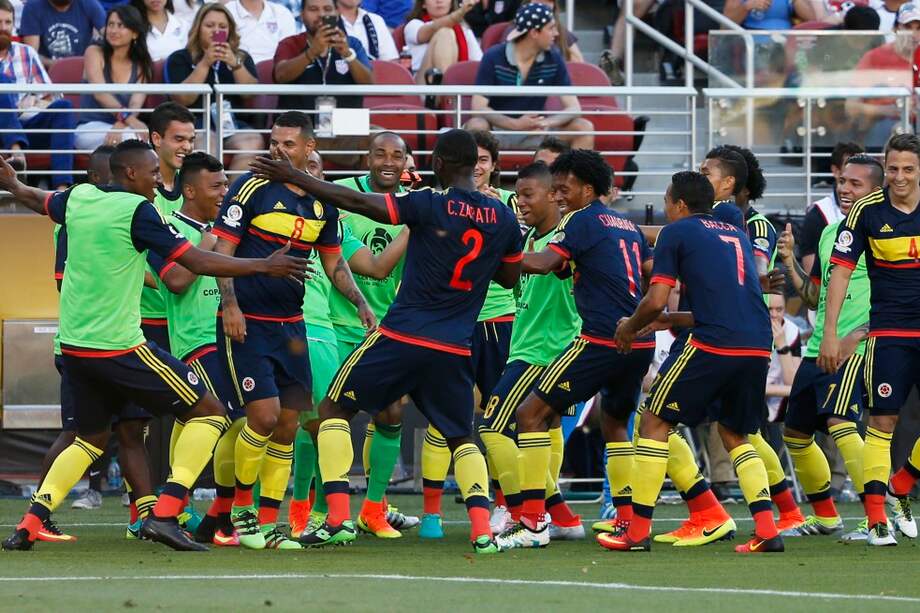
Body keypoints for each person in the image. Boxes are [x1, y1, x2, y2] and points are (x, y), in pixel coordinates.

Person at [0, 139, 310, 552]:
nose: (158, 182)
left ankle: (30, 525)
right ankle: (164, 515)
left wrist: (16, 185)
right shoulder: (137, 210)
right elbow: (195, 263)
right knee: (212, 413)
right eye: (152, 174)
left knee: (89, 439)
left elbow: (42, 199)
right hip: (119, 347)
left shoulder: (80, 197)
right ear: (130, 174)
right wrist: (263, 265)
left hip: (74, 347)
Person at [249, 128, 523, 554]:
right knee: (461, 436)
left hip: (402, 334)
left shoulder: (430, 203)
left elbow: (362, 203)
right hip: (454, 344)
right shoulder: (503, 217)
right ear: (477, 164)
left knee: (333, 408)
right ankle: (483, 531)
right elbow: (508, 276)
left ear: (438, 164)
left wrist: (298, 178)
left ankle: (337, 518)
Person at [212, 111, 374, 551]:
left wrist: (360, 301)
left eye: (288, 144)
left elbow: (334, 262)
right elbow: (223, 251)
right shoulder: (249, 188)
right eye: (274, 142)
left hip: (292, 326)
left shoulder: (323, 203)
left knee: (288, 425)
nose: (278, 150)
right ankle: (242, 513)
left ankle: (267, 523)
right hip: (249, 321)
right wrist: (230, 305)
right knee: (261, 417)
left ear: (308, 148)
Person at [606, 170, 782, 555]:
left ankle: (635, 532)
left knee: (653, 420)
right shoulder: (734, 233)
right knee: (735, 433)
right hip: (756, 345)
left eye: (668, 202)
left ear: (680, 204)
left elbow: (655, 299)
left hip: (714, 344)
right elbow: (730, 300)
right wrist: (671, 320)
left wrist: (630, 328)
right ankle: (768, 530)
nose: (667, 209)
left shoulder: (677, 232)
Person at [494, 150, 650, 551]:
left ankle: (531, 520)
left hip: (599, 339)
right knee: (616, 426)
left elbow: (546, 263)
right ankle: (628, 523)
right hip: (639, 340)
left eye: (565, 188)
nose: (560, 196)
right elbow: (646, 272)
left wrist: (489, 257)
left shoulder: (581, 220)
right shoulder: (626, 224)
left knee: (529, 415)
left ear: (588, 188)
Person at [291, 135, 414, 542]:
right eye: (380, 153)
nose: (388, 161)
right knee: (318, 417)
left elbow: (387, 271)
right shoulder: (342, 199)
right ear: (367, 158)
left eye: (397, 155)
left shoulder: (413, 205)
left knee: (391, 413)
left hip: (379, 330)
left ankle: (373, 510)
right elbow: (363, 265)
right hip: (329, 326)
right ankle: (312, 509)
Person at [416, 128, 519, 539]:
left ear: (493, 165)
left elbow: (519, 260)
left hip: (498, 320)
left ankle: (504, 506)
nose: (476, 167)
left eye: (484, 160)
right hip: (454, 322)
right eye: (471, 160)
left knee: (498, 416)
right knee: (442, 419)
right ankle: (431, 514)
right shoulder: (441, 203)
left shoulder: (510, 204)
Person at [821, 133, 920, 546]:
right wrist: (830, 333)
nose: (899, 177)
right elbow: (841, 272)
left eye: (908, 169)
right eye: (893, 168)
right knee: (882, 422)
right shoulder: (865, 210)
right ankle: (878, 521)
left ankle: (904, 480)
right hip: (889, 333)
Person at [777, 154, 883, 541]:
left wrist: (855, 336)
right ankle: (826, 516)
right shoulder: (831, 233)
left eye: (856, 184)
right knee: (796, 434)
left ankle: (876, 521)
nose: (845, 189)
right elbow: (814, 297)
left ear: (876, 191)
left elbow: (899, 298)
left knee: (839, 422)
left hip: (856, 346)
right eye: (842, 182)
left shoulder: (886, 236)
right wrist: (789, 264)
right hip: (820, 345)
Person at [143, 152, 245, 548]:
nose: (224, 192)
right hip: (195, 339)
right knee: (229, 419)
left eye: (225, 185)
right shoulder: (164, 227)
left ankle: (199, 516)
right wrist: (209, 242)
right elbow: (178, 281)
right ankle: (198, 513)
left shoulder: (229, 229)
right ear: (189, 190)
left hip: (232, 336)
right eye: (216, 186)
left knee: (207, 421)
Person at [479, 161, 584, 542]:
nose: (519, 202)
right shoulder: (528, 238)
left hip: (543, 352)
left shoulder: (565, 238)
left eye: (527, 195)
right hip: (530, 346)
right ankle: (561, 518)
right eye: (517, 194)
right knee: (543, 430)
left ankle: (522, 511)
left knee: (492, 427)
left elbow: (554, 269)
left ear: (553, 196)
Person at [468, 3, 593, 152]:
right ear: (534, 33)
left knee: (583, 128)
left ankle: (575, 175)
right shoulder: (494, 56)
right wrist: (514, 124)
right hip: (497, 131)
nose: (556, 34)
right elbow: (478, 106)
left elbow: (574, 107)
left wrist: (546, 123)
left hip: (537, 132)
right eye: (551, 28)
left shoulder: (554, 58)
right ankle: (477, 175)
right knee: (476, 125)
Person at [165, 2, 261, 172]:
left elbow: (251, 94)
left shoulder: (241, 57)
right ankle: (207, 197)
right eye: (210, 25)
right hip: (195, 124)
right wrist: (205, 63)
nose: (216, 31)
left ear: (230, 30)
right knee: (207, 144)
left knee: (253, 142)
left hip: (234, 124)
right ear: (198, 28)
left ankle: (233, 197)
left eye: (222, 26)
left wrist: (235, 64)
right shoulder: (180, 58)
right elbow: (183, 99)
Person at [0, 0, 75, 190]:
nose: (4, 28)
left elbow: (53, 96)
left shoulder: (26, 53)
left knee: (63, 107)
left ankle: (62, 190)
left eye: (8, 23)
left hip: (26, 125)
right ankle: (16, 151)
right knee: (2, 81)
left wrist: (35, 101)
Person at [75, 5, 153, 151]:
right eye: (111, 24)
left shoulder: (142, 63)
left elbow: (136, 103)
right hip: (90, 127)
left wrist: (121, 123)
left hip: (124, 126)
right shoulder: (94, 52)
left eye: (121, 25)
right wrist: (128, 119)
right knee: (130, 141)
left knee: (137, 140)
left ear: (135, 33)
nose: (113, 30)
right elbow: (100, 94)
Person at [273, 0, 374, 113]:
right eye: (313, 9)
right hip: (298, 123)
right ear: (302, 15)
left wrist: (347, 54)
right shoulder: (290, 43)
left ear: (337, 14)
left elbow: (369, 84)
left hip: (347, 123)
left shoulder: (352, 44)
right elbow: (280, 76)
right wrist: (312, 52)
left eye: (327, 9)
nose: (321, 14)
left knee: (382, 131)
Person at [848, 3, 920, 148]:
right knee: (895, 129)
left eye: (919, 29)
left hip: (916, 124)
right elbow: (850, 106)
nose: (913, 34)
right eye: (907, 27)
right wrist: (885, 110)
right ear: (895, 29)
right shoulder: (874, 57)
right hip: (881, 126)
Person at [800, 142, 865, 277]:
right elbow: (813, 280)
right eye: (850, 166)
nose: (856, 172)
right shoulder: (817, 214)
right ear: (835, 171)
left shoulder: (881, 212)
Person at [403, 0, 482, 84]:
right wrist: (459, 13)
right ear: (423, 4)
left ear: (451, 3)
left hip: (458, 84)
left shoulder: (464, 31)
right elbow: (431, 29)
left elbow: (478, 64)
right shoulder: (414, 25)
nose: (439, 1)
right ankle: (447, 91)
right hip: (422, 86)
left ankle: (449, 92)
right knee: (445, 33)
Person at [20, 0, 106, 68]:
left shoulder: (88, 3)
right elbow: (31, 54)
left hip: (84, 70)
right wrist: (58, 65)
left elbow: (110, 35)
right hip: (46, 74)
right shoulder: (33, 6)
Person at [225, 0, 297, 63]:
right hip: (238, 71)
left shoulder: (282, 13)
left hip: (276, 73)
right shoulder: (226, 12)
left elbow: (288, 54)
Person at [724, 0, 827, 29]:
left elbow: (813, 19)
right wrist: (747, 6)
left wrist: (796, 2)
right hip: (754, 41)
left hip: (786, 41)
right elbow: (724, 26)